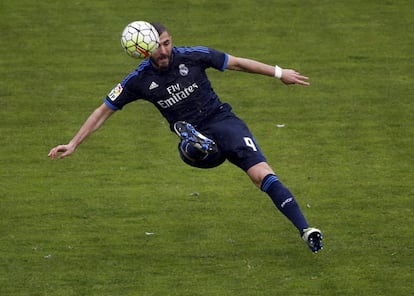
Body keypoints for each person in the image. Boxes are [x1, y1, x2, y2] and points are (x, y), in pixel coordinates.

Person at [48, 22, 323, 253]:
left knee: (262, 175)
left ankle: (306, 230)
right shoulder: (138, 80)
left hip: (224, 122)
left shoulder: (193, 56)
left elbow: (237, 63)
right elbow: (103, 111)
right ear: (144, 50)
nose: (164, 50)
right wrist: (73, 143)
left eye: (167, 43)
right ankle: (196, 142)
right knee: (193, 148)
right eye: (158, 45)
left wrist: (279, 73)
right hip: (197, 143)